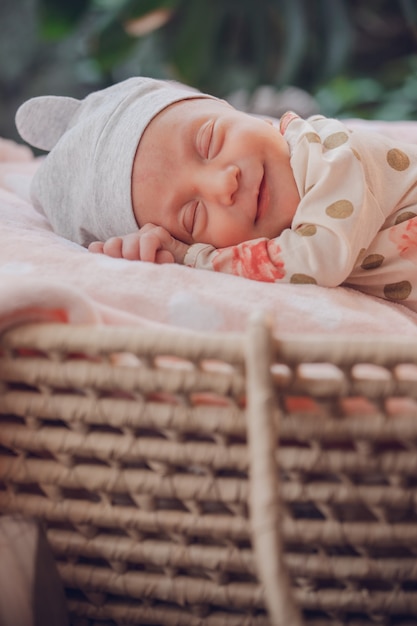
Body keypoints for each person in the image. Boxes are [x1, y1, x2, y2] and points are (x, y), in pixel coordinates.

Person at [15, 76, 417, 311]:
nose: (222, 185)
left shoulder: (335, 155)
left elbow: (319, 260)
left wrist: (189, 256)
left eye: (209, 141)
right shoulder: (282, 232)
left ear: (235, 110)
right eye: (192, 217)